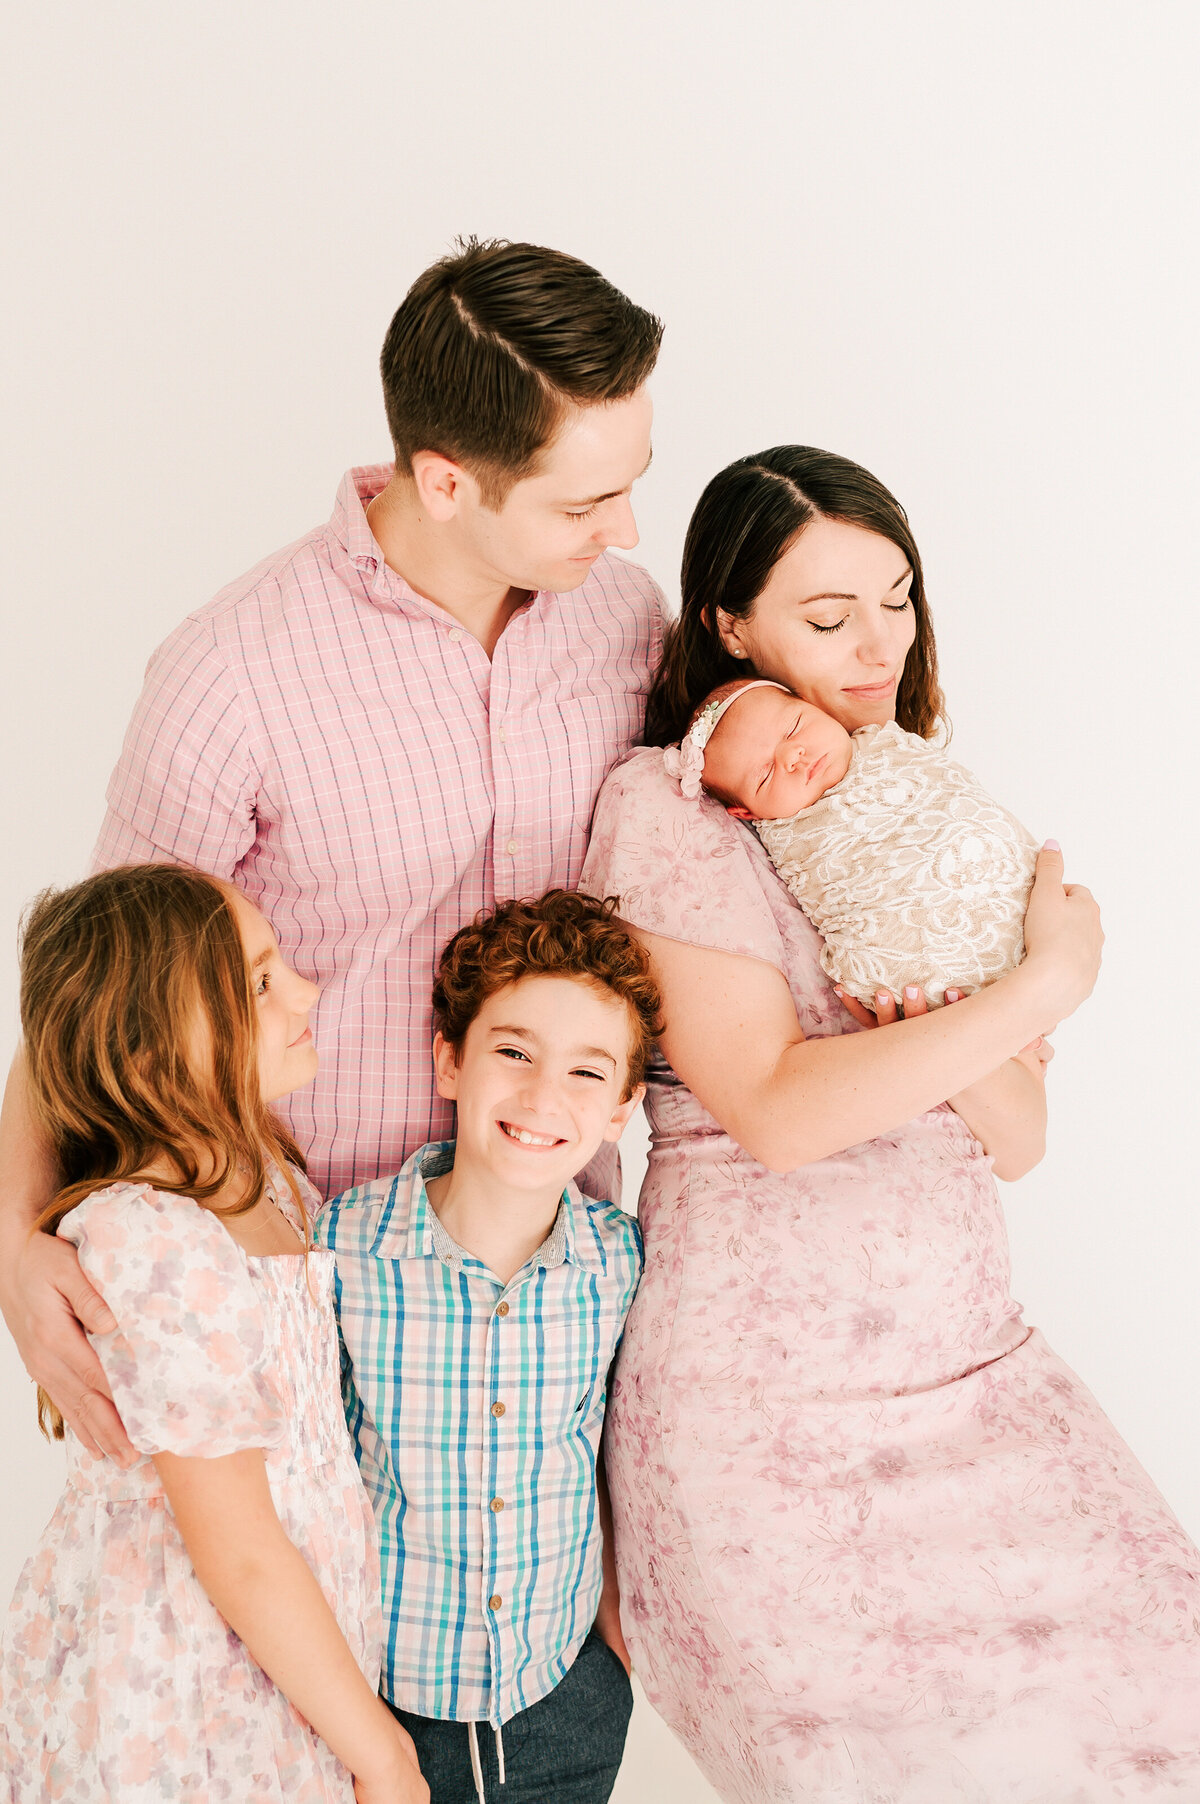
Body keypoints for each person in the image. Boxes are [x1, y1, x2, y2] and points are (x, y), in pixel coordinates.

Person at [580, 445, 1200, 1801]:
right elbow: (779, 1112)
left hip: (976, 1372)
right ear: (727, 625)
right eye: (826, 615)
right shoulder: (676, 808)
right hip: (769, 1426)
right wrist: (1047, 981)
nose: (877, 646)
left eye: (897, 599)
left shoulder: (906, 798)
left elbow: (1018, 1134)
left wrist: (968, 1016)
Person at [0, 238, 665, 1467]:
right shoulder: (232, 674)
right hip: (307, 1301)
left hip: (562, 1281)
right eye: (582, 503)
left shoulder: (624, 619)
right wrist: (10, 1244)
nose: (626, 530)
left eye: (630, 483)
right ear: (447, 481)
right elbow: (95, 1001)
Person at [0, 864, 426, 1804]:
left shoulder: (268, 1180)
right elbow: (236, 1549)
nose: (308, 991)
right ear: (152, 1059)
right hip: (184, 1678)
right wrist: (385, 1755)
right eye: (261, 982)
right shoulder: (150, 1239)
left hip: (275, 1659)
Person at [317, 890, 660, 1804]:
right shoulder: (342, 1247)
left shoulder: (622, 1264)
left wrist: (616, 1643)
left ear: (624, 1106)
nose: (545, 1096)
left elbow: (626, 1456)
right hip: (381, 1711)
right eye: (513, 1052)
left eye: (589, 1075)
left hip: (566, 1698)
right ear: (450, 1062)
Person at [673, 674, 1037, 1007]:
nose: (792, 757)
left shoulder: (887, 744)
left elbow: (955, 794)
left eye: (794, 727)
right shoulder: (791, 837)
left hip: (1023, 916)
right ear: (746, 813)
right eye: (765, 774)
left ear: (812, 705)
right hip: (927, 987)